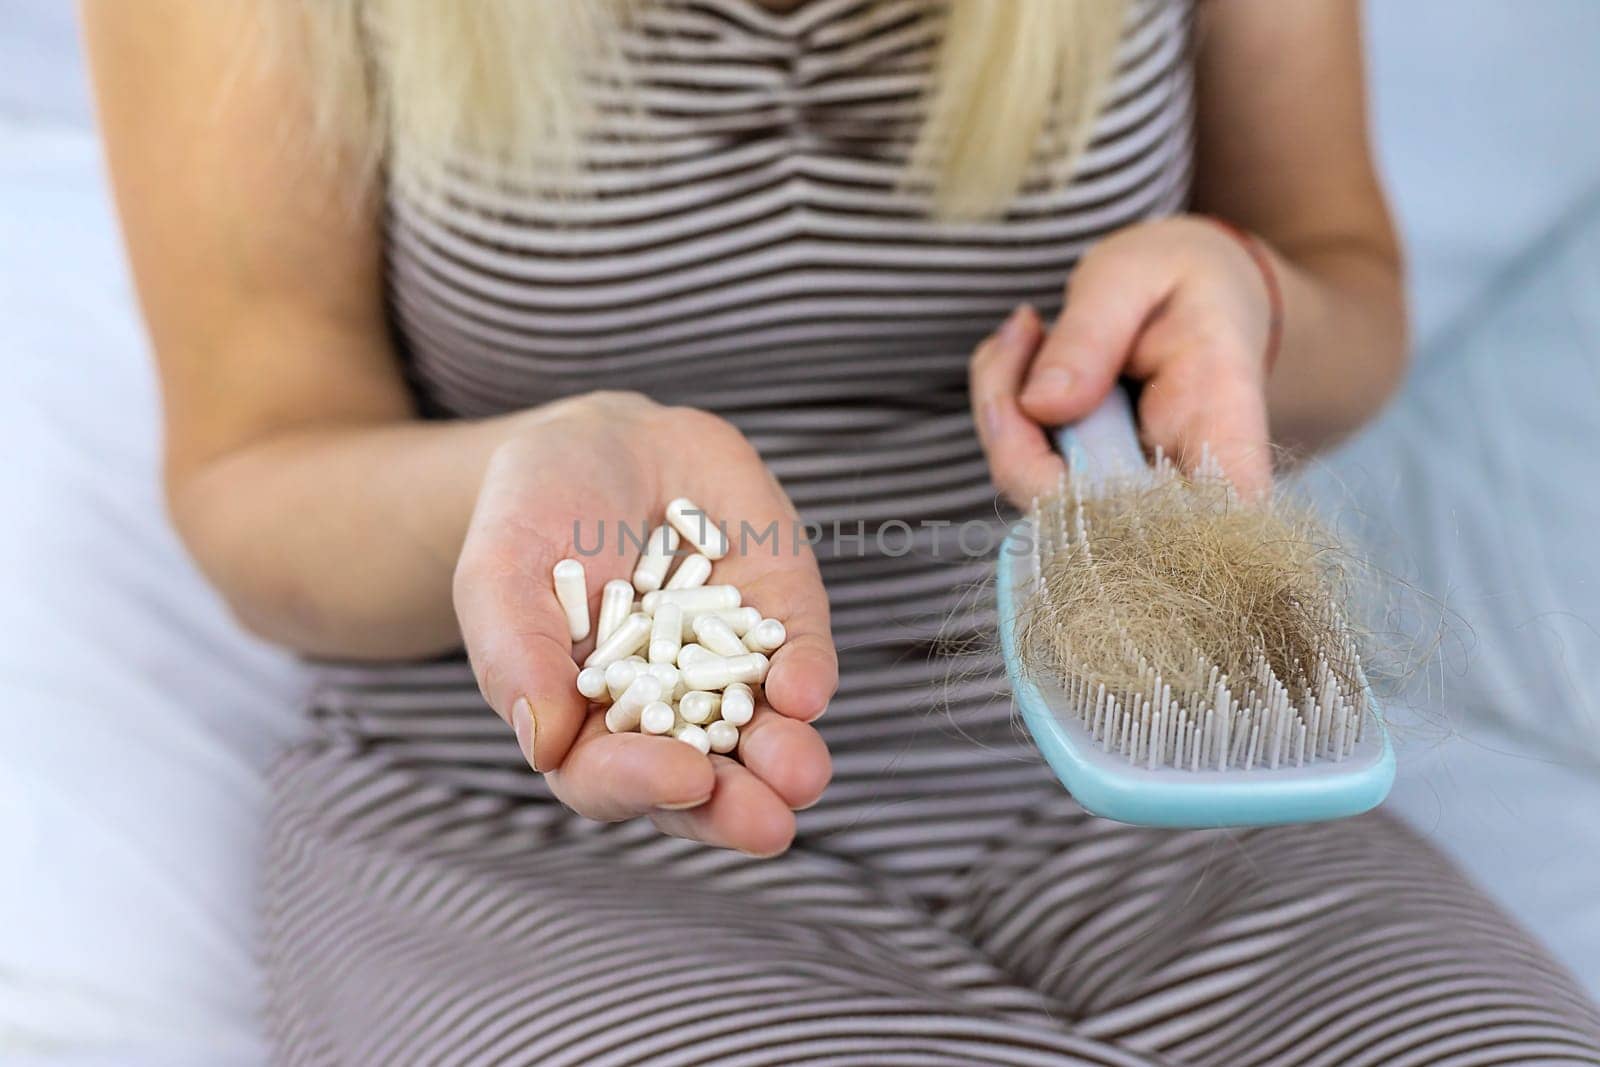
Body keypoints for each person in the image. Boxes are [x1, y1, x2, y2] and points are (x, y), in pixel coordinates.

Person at [84, 1, 1600, 1063]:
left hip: (1149, 768)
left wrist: (1247, 302)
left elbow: (1347, 288)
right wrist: (522, 476)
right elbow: (254, 471)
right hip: (540, 820)